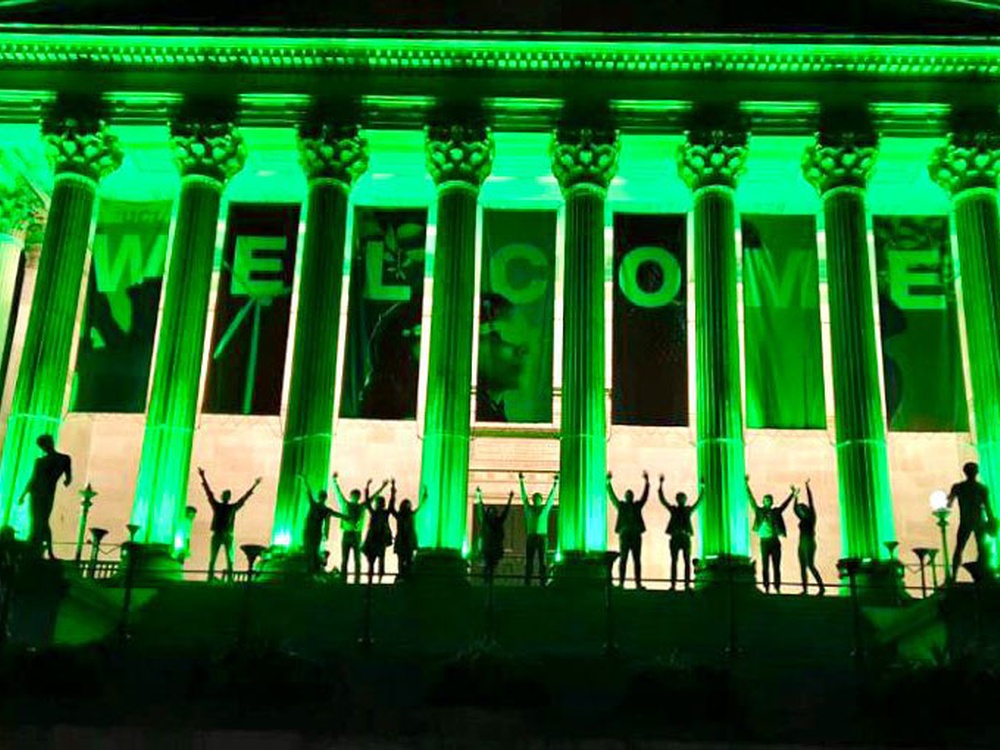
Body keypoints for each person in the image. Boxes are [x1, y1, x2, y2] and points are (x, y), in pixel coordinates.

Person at [197, 467, 261, 582]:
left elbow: (243, 499)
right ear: (223, 497)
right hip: (221, 534)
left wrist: (254, 485)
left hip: (226, 535)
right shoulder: (220, 506)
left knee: (229, 559)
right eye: (226, 495)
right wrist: (203, 477)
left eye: (228, 495)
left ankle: (227, 579)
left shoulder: (229, 508)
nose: (227, 497)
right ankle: (211, 578)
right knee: (214, 558)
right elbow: (209, 493)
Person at [17, 435, 71, 561]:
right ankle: (44, 551)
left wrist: (23, 495)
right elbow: (33, 479)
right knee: (39, 522)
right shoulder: (57, 460)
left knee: (41, 522)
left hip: (43, 494)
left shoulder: (61, 459)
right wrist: (23, 495)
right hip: (39, 494)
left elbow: (67, 477)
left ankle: (42, 550)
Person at [332, 474, 386, 583]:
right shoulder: (346, 505)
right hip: (348, 534)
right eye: (354, 496)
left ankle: (356, 580)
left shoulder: (360, 506)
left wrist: (382, 487)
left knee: (357, 559)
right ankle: (344, 580)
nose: (355, 498)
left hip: (356, 534)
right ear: (351, 496)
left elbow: (373, 497)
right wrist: (334, 482)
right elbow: (338, 494)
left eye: (356, 496)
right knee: (345, 559)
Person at [948, 461, 996, 580]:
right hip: (978, 521)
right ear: (976, 472)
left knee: (960, 548)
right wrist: (991, 522)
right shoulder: (981, 488)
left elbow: (948, 504)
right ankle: (981, 574)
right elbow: (988, 508)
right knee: (981, 549)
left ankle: (954, 576)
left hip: (967, 521)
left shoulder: (958, 487)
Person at [747, 476, 796, 593]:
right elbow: (751, 500)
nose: (767, 502)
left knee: (776, 565)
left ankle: (777, 587)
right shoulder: (759, 511)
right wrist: (746, 485)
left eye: (769, 500)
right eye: (766, 500)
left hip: (774, 541)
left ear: (771, 502)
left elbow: (784, 505)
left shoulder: (775, 511)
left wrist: (792, 494)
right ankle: (767, 586)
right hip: (764, 541)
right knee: (765, 566)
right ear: (763, 502)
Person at [658, 475, 703, 591]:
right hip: (677, 536)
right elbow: (663, 501)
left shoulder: (687, 509)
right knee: (675, 561)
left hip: (684, 536)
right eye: (680, 498)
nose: (681, 500)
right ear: (678, 500)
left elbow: (698, 503)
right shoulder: (674, 509)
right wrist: (661, 486)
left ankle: (686, 585)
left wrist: (703, 488)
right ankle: (673, 585)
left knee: (686, 561)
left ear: (684, 500)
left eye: (682, 498)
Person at [607, 471, 650, 589]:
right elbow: (612, 497)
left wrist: (647, 483)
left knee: (636, 560)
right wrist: (608, 483)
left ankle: (637, 583)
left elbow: (644, 497)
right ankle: (621, 583)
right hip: (625, 534)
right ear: (625, 497)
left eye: (630, 495)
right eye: (628, 495)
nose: (629, 497)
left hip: (634, 534)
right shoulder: (621, 505)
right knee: (624, 559)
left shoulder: (636, 505)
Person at [300, 475, 344, 576]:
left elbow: (308, 492)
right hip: (314, 532)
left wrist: (304, 480)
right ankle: (316, 567)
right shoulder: (324, 509)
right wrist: (348, 517)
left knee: (310, 551)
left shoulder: (315, 505)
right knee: (312, 551)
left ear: (320, 497)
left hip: (310, 532)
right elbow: (338, 515)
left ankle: (313, 569)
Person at [520, 472, 558, 586]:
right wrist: (521, 482)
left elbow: (551, 499)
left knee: (543, 560)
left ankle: (542, 581)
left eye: (538, 499)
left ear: (540, 501)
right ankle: (528, 581)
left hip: (541, 536)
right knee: (529, 560)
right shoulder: (529, 510)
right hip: (532, 536)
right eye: (536, 499)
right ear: (534, 500)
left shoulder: (543, 510)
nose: (537, 501)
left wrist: (555, 484)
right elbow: (524, 497)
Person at [476, 486, 514, 583]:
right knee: (489, 566)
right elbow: (481, 508)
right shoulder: (489, 521)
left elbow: (506, 511)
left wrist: (510, 499)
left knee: (491, 567)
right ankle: (487, 581)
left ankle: (488, 581)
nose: (492, 514)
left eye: (493, 512)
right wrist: (479, 496)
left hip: (493, 548)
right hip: (489, 548)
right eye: (490, 512)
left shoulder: (496, 521)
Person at [795, 479, 825, 595]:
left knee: (810, 565)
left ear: (805, 509)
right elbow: (794, 509)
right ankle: (805, 589)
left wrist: (807, 487)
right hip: (802, 543)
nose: (800, 511)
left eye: (802, 509)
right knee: (802, 566)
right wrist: (795, 497)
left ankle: (821, 587)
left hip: (809, 542)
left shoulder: (811, 517)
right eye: (800, 510)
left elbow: (811, 502)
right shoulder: (802, 518)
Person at [390, 483, 425, 580]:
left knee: (406, 559)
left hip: (406, 540)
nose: (408, 507)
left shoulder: (406, 515)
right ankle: (404, 575)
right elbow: (392, 508)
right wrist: (393, 492)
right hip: (405, 540)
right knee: (403, 559)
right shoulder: (407, 515)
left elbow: (419, 507)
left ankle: (405, 575)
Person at [362, 479, 393, 584]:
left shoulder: (376, 512)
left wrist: (367, 487)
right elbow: (367, 502)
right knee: (377, 561)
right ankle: (375, 581)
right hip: (377, 539)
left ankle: (373, 581)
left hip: (376, 539)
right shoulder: (381, 513)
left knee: (375, 561)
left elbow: (367, 502)